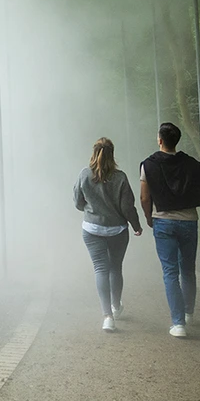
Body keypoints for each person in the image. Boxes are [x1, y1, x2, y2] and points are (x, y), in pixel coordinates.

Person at [139, 122, 200, 338]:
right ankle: (188, 313)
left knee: (170, 272)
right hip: (189, 221)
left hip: (163, 222)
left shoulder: (148, 165)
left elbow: (144, 197)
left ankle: (178, 323)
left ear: (160, 140)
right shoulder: (193, 165)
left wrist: (148, 216)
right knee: (188, 269)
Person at [74, 137, 143, 332]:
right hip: (117, 230)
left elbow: (78, 202)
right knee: (115, 268)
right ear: (112, 154)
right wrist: (136, 225)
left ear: (93, 153)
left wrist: (91, 209)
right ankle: (116, 306)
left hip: (92, 229)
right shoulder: (120, 177)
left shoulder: (84, 174)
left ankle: (107, 317)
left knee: (100, 269)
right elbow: (127, 207)